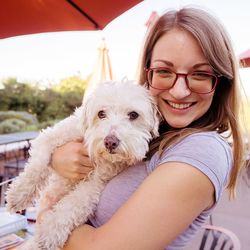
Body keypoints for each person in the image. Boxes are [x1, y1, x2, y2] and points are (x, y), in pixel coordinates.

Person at [47, 7, 245, 250]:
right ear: (147, 72)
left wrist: (48, 215)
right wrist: (57, 157)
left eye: (200, 74)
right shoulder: (143, 131)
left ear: (221, 82)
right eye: (164, 71)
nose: (179, 91)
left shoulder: (202, 150)